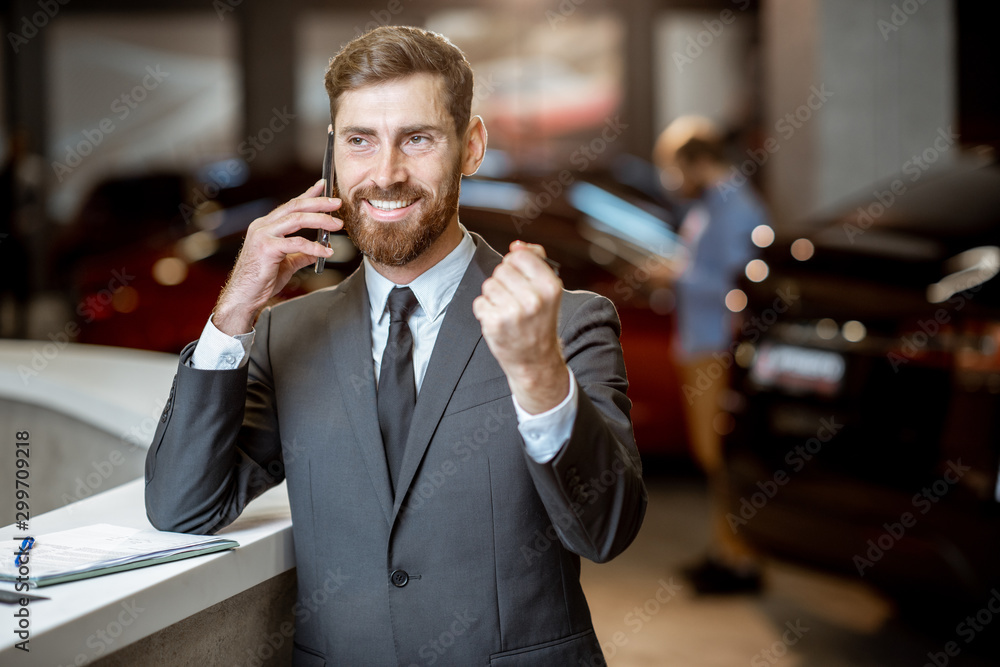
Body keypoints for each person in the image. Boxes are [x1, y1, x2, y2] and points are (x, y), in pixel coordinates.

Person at [145, 26, 646, 666]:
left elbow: (607, 530)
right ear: (334, 154)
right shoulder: (286, 333)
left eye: (417, 139)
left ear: (471, 147)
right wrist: (236, 306)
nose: (385, 174)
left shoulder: (567, 324)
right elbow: (182, 506)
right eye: (360, 141)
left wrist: (539, 373)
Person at [654, 116, 767, 594]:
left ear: (699, 162)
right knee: (712, 455)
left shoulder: (738, 209)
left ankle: (740, 558)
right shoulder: (715, 205)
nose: (671, 180)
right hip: (702, 342)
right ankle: (727, 550)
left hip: (717, 345)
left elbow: (739, 285)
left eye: (675, 168)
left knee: (722, 456)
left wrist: (674, 278)